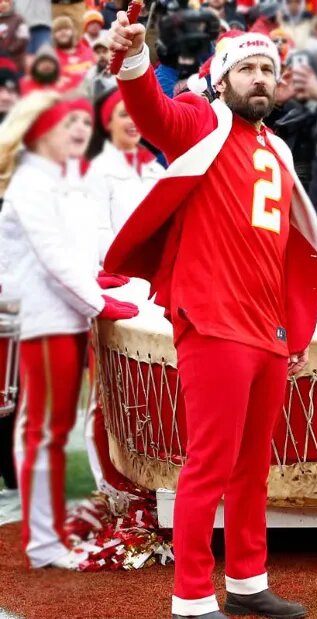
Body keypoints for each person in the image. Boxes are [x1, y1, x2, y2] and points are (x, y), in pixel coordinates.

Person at [107, 13, 317, 619]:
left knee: (253, 468)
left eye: (267, 71)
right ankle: (193, 597)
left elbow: (285, 251)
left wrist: (291, 329)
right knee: (209, 465)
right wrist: (133, 58)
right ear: (221, 80)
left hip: (266, 331)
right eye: (246, 68)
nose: (258, 78)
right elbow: (152, 113)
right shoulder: (203, 123)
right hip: (212, 322)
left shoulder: (277, 147)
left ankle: (249, 582)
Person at [0, 90, 138, 568]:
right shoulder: (31, 185)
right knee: (43, 429)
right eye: (69, 123)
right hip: (45, 321)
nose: (81, 130)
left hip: (67, 313)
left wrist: (95, 280)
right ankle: (43, 541)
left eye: (84, 122)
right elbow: (51, 258)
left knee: (51, 428)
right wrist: (99, 300)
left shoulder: (60, 182)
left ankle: (46, 534)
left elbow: (68, 256)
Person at [85, 87, 165, 262]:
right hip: (123, 277)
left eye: (136, 114)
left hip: (158, 273)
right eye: (124, 115)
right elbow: (98, 232)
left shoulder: (157, 171)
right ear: (108, 122)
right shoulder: (97, 171)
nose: (133, 121)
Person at [52, 15, 95, 84]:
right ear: (53, 35)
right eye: (58, 30)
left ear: (73, 31)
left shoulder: (88, 51)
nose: (63, 32)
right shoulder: (51, 58)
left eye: (66, 28)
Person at [0, 0, 29, 73]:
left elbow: (23, 39)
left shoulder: (19, 19)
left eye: (6, 1)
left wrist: (8, 50)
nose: (3, 4)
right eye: (0, 2)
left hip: (16, 63)